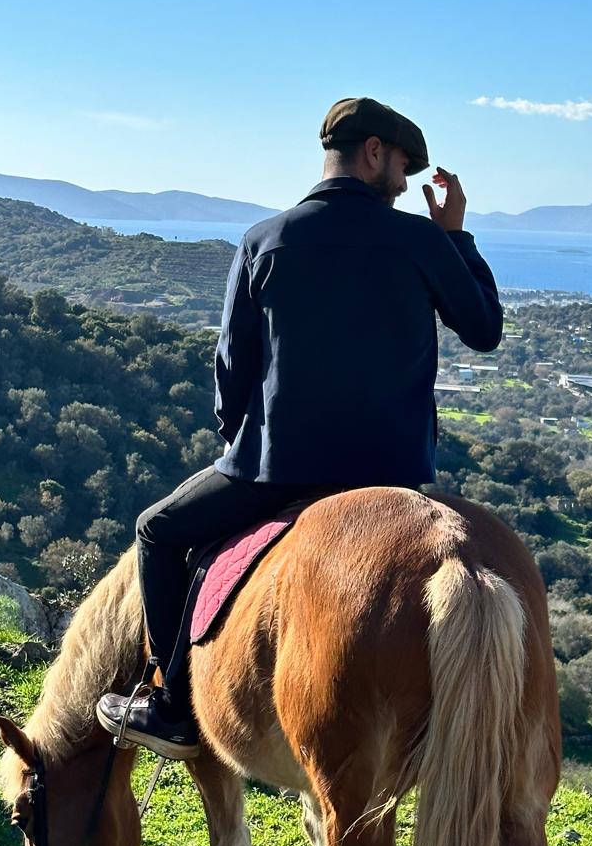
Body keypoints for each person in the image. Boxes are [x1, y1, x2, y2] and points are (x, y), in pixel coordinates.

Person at [96, 97, 504, 759]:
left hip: (275, 466)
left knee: (159, 532)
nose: (405, 185)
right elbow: (484, 329)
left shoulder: (266, 239)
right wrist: (456, 234)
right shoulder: (420, 240)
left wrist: (241, 444)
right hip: (391, 474)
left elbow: (232, 365)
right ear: (374, 152)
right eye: (403, 167)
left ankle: (173, 707)